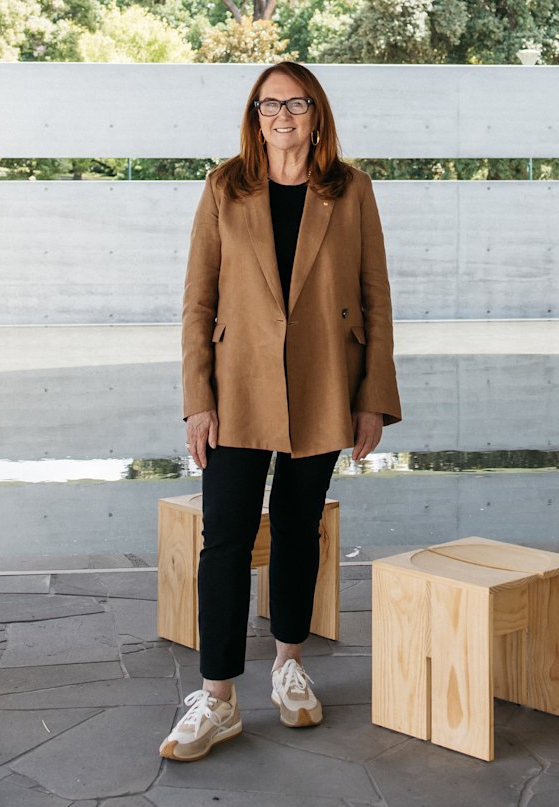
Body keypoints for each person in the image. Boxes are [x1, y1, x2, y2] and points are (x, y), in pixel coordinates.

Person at [159, 61, 402, 762]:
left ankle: (289, 665)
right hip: (236, 388)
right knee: (226, 537)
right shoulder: (224, 188)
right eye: (270, 105)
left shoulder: (349, 190)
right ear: (255, 116)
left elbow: (376, 298)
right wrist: (196, 401)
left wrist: (373, 400)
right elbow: (197, 303)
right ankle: (219, 698)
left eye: (296, 103)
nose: (283, 116)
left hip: (326, 382)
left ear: (316, 113)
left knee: (299, 530)